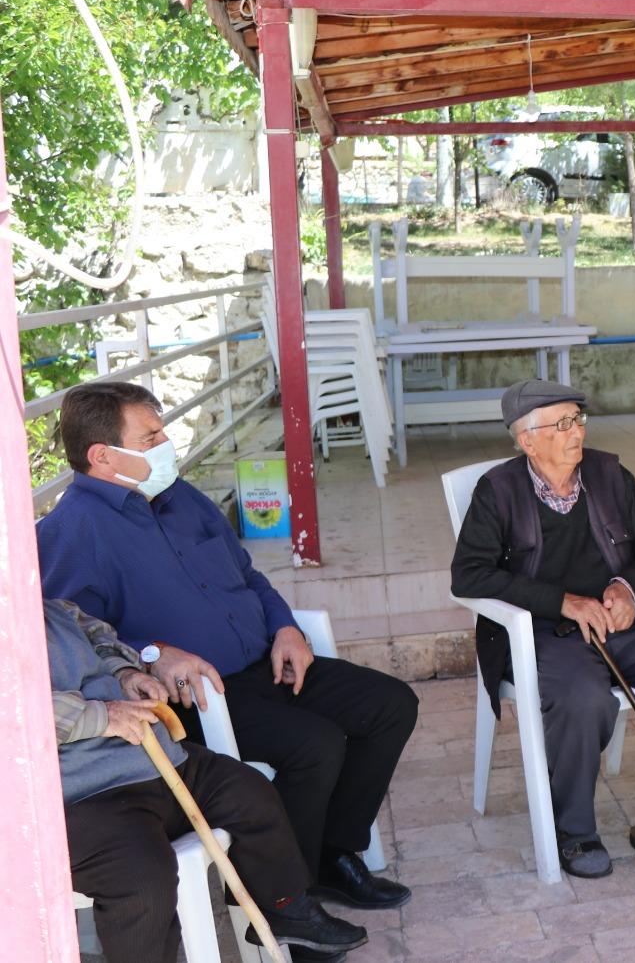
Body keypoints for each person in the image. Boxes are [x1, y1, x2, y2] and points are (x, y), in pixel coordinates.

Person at [36, 382, 417, 910]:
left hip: (269, 660)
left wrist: (286, 626)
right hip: (201, 696)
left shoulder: (181, 497)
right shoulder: (70, 532)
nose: (167, 443)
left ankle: (333, 855)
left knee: (391, 705)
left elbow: (248, 575)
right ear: (103, 456)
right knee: (316, 744)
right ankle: (288, 900)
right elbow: (73, 638)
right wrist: (150, 653)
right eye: (151, 436)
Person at [450, 380, 635, 881]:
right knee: (585, 699)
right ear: (526, 440)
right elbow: (469, 575)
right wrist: (560, 601)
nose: (575, 431)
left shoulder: (609, 473)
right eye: (560, 424)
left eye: (577, 419)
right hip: (540, 633)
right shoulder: (497, 490)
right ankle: (574, 831)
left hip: (621, 619)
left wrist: (626, 587)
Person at [49, 596, 367, 963]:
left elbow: (100, 637)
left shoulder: (51, 607)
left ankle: (283, 907)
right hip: (81, 795)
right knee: (143, 881)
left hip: (152, 757)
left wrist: (126, 673)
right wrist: (100, 715)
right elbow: (14, 710)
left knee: (249, 795)